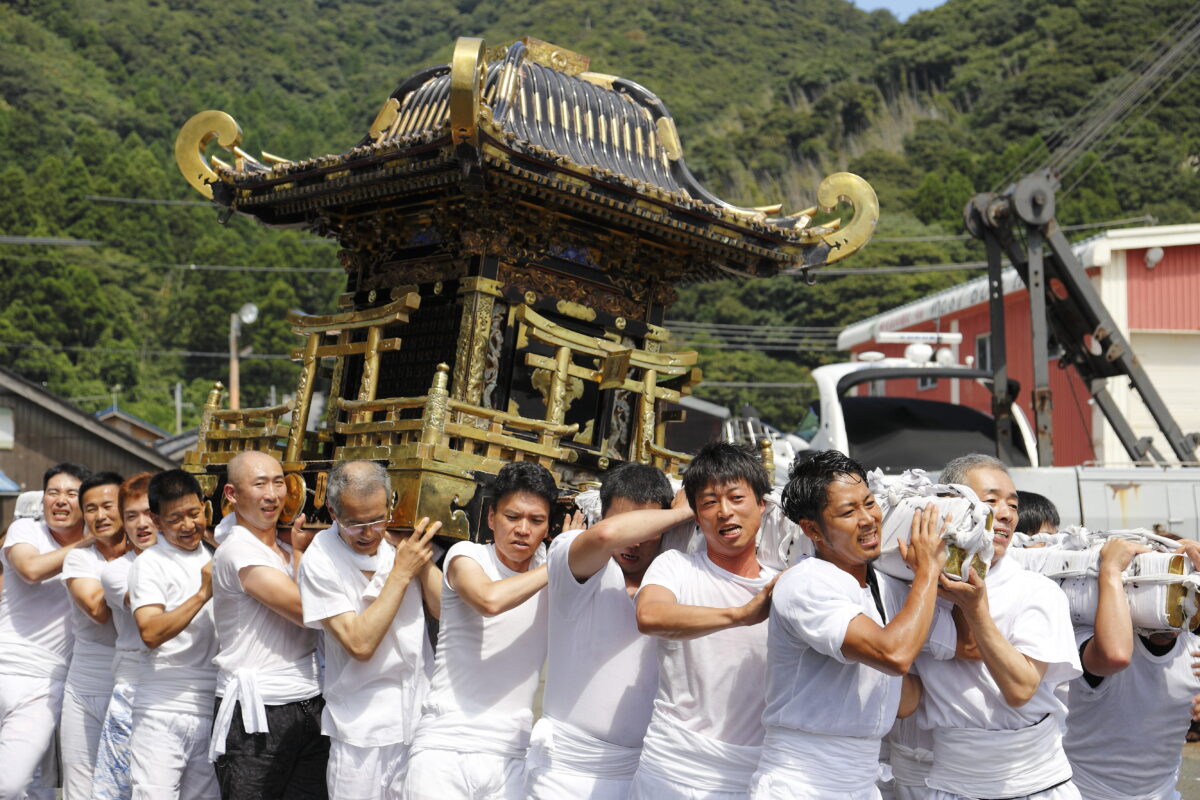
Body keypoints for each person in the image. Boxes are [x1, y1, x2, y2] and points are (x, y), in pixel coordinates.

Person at [749, 450, 947, 799]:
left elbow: (908, 695)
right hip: (801, 783)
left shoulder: (886, 586)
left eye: (869, 503)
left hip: (862, 781)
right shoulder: (805, 583)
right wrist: (929, 571)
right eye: (847, 512)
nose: (868, 519)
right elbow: (895, 653)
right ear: (812, 529)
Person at [915, 453, 1082, 800]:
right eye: (991, 501)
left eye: (1012, 504)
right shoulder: (912, 591)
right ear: (952, 505)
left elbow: (1021, 690)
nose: (1006, 514)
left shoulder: (1037, 590)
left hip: (1037, 785)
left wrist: (975, 611)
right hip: (951, 783)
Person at [526, 463, 688, 800]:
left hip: (642, 775)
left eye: (647, 527)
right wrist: (682, 513)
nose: (635, 541)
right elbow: (605, 536)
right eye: (626, 525)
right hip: (563, 774)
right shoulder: (570, 552)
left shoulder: (674, 577)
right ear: (602, 517)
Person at [631, 442, 779, 800]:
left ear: (762, 505)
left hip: (751, 772)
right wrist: (741, 615)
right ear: (696, 517)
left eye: (736, 498)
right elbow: (649, 615)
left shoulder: (783, 584)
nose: (725, 512)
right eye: (710, 503)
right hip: (672, 767)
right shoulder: (676, 566)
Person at [403, 461, 556, 800]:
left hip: (512, 753)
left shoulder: (553, 568)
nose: (523, 529)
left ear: (548, 527)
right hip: (445, 747)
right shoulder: (466, 556)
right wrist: (559, 564)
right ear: (491, 518)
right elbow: (489, 600)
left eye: (536, 521)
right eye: (512, 517)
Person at [297, 460, 442, 800]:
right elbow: (359, 643)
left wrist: (417, 559)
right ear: (333, 512)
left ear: (390, 503)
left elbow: (443, 612)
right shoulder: (320, 559)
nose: (368, 532)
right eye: (355, 524)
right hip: (359, 729)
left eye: (377, 519)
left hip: (419, 718)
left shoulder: (400, 540)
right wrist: (402, 572)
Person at [209, 450, 327, 799]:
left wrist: (300, 553)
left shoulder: (282, 548)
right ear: (232, 494)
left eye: (279, 483)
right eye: (259, 484)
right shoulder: (237, 551)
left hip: (308, 700)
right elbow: (307, 610)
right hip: (256, 709)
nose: (273, 494)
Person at [1061, 536, 1200, 798]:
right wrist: (1111, 570)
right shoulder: (1089, 638)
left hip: (1162, 793)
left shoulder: (1193, 649)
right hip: (1084, 793)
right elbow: (1113, 657)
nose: (1175, 602)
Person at [0, 462, 92, 800]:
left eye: (71, 493)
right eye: (53, 492)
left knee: (11, 785)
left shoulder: (101, 551)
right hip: (2, 661)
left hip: (44, 682)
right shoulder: (27, 531)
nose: (61, 500)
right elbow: (31, 570)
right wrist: (91, 541)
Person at [127, 469, 219, 799]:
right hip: (161, 709)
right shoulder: (149, 563)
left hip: (210, 706)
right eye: (175, 518)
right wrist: (201, 594)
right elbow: (150, 632)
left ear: (205, 507)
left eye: (194, 513)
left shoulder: (214, 556)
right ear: (156, 519)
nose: (187, 525)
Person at [60, 471, 128, 799]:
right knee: (80, 788)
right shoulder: (79, 558)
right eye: (90, 509)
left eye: (108, 505)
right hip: (85, 687)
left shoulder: (152, 555)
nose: (99, 516)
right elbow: (99, 612)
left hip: (134, 687)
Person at [92, 472, 157, 800]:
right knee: (119, 792)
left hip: (191, 693)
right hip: (132, 692)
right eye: (131, 516)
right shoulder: (116, 570)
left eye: (149, 512)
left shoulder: (203, 558)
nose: (141, 523)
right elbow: (153, 607)